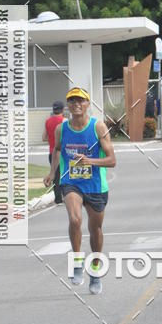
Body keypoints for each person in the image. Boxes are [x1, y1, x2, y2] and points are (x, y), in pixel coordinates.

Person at [43, 87, 116, 294]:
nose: (76, 104)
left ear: (87, 104)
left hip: (95, 185)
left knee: (95, 230)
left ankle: (95, 271)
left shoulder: (98, 127)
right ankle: (77, 263)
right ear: (68, 105)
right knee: (75, 219)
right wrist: (51, 173)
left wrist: (89, 160)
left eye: (80, 100)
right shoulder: (62, 129)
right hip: (71, 182)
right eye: (72, 101)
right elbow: (57, 151)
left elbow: (112, 160)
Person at [42, 101, 65, 203]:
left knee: (55, 175)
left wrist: (52, 139)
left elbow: (43, 137)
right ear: (63, 109)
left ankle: (58, 198)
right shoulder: (64, 121)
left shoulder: (47, 121)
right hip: (63, 152)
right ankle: (66, 195)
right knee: (65, 173)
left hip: (52, 152)